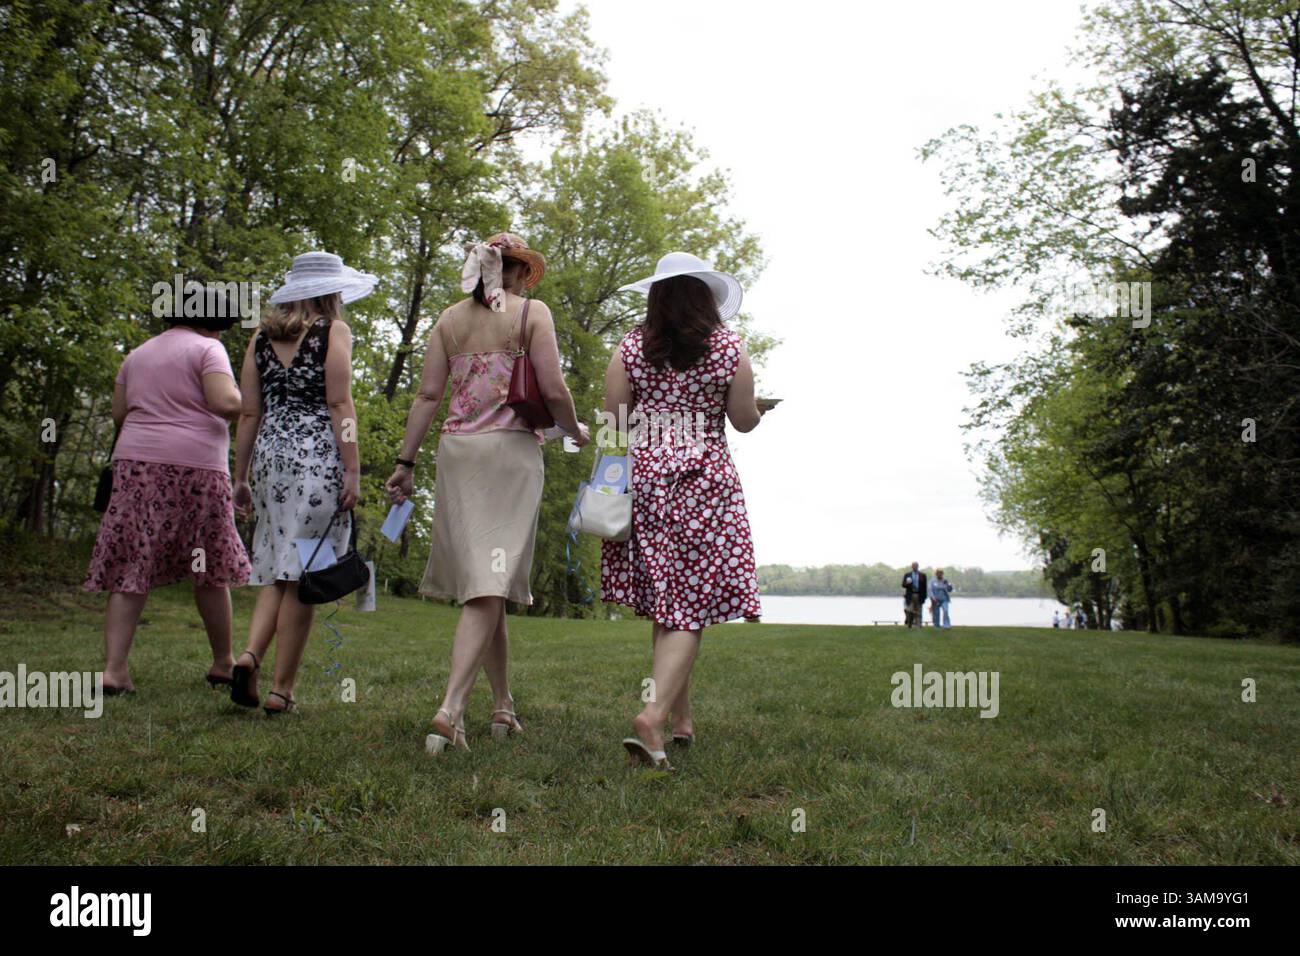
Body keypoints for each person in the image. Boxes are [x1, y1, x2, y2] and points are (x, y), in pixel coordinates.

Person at [385, 233, 589, 755]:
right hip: (510, 454)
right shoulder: (532, 313)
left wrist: (405, 463)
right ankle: (450, 709)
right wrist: (573, 429)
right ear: (519, 273)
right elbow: (553, 388)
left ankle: (503, 706)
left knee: (487, 580)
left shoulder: (449, 320)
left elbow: (429, 395)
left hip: (458, 453)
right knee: (488, 582)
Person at [601, 252, 765, 771]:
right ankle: (651, 717)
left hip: (648, 479)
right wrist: (760, 409)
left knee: (669, 602)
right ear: (703, 296)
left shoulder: (629, 347)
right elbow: (742, 422)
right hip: (704, 482)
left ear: (657, 294)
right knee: (689, 606)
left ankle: (681, 720)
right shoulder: (728, 348)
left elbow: (614, 424)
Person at [83, 291, 250, 694]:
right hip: (195, 466)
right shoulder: (208, 349)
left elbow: (120, 414)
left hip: (135, 464)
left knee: (132, 564)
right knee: (208, 566)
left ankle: (115, 670)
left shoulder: (137, 354)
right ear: (216, 320)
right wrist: (255, 402)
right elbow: (225, 402)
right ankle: (223, 662)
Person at [230, 252, 372, 716]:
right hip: (317, 457)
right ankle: (281, 690)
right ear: (331, 291)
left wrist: (240, 476)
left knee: (277, 565)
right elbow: (339, 404)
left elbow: (249, 412)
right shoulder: (334, 332)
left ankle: (249, 656)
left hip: (271, 457)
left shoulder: (260, 338)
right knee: (304, 572)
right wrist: (352, 470)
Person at [901, 562, 927, 628]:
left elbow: (925, 587)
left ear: (918, 566)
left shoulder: (922, 575)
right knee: (909, 610)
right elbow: (903, 585)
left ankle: (919, 625)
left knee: (919, 610)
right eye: (914, 566)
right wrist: (907, 583)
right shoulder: (907, 575)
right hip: (910, 594)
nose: (915, 567)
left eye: (916, 566)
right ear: (912, 567)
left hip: (919, 595)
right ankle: (910, 624)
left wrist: (925, 597)